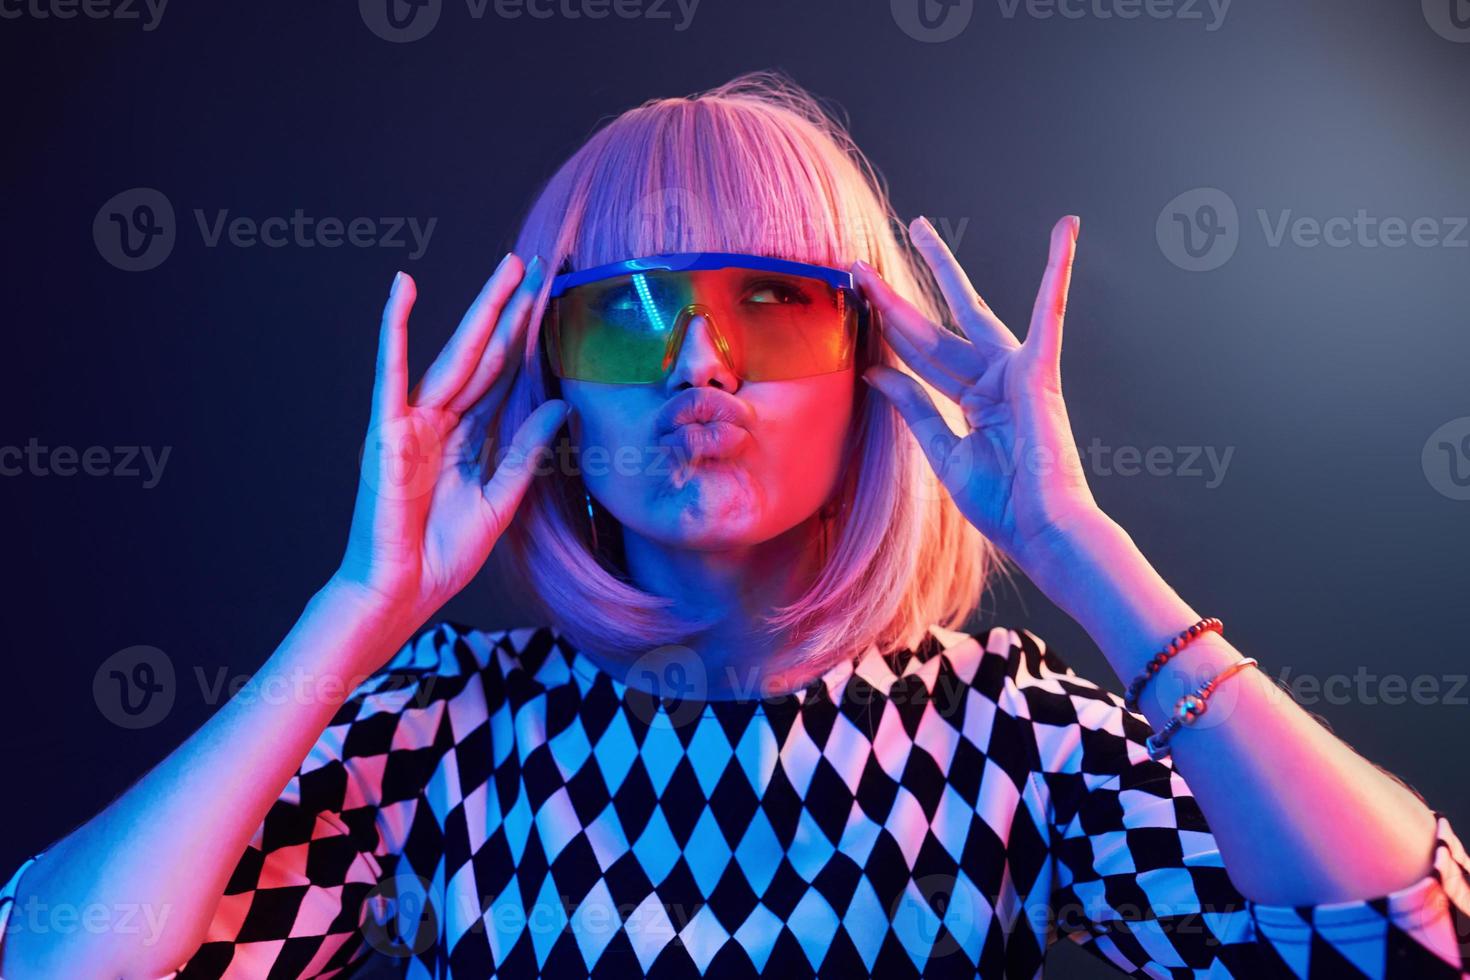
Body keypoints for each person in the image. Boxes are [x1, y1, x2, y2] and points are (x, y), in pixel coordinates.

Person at [1, 70, 1466, 980]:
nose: (698, 364)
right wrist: (351, 617)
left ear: (870, 367)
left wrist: (1082, 549)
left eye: (771, 303)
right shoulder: (448, 732)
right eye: (625, 319)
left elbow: (1409, 951)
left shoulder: (1004, 732)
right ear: (553, 383)